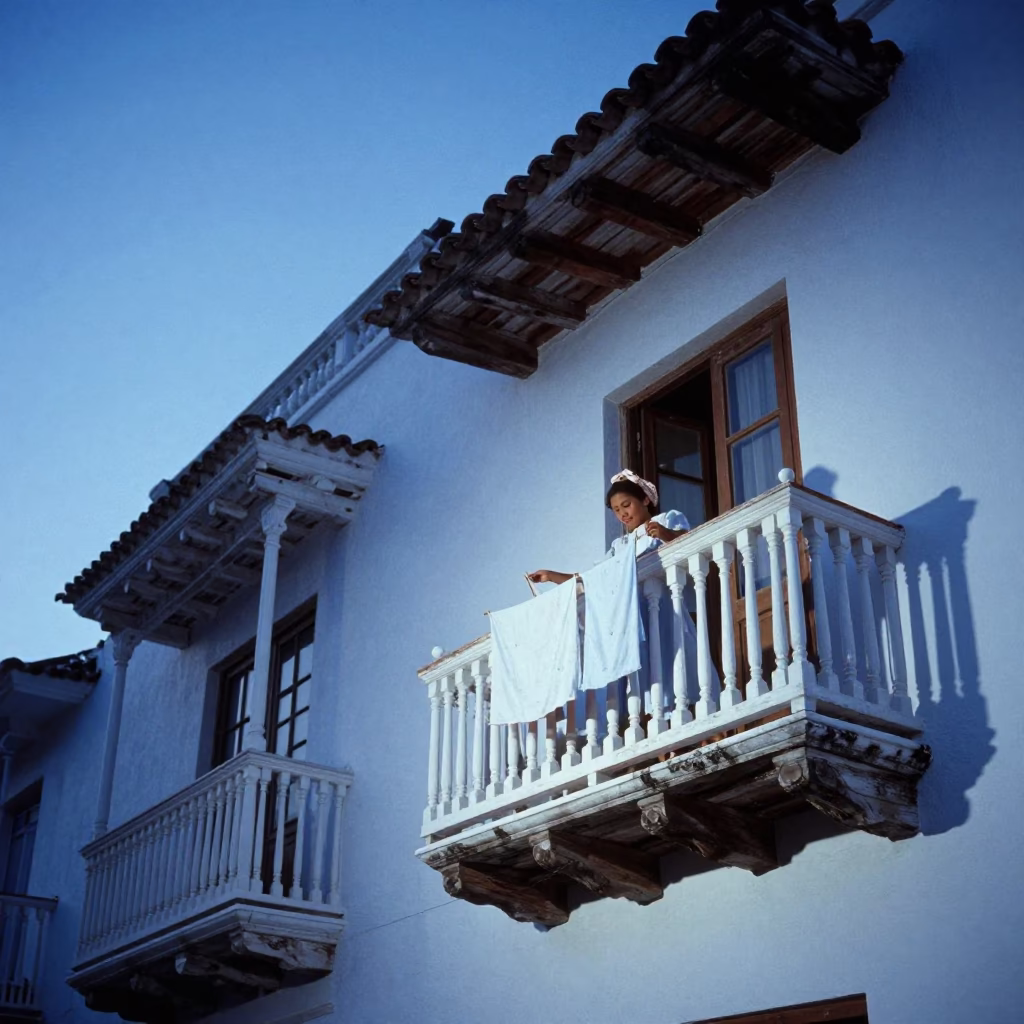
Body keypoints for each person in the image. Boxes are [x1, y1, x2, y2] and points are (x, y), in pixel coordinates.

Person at [527, 469, 689, 586]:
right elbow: (592, 577)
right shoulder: (619, 546)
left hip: (662, 602)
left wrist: (665, 533)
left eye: (626, 505)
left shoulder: (667, 519)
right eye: (617, 510)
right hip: (631, 610)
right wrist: (551, 576)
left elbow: (688, 543)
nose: (622, 514)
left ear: (645, 500)